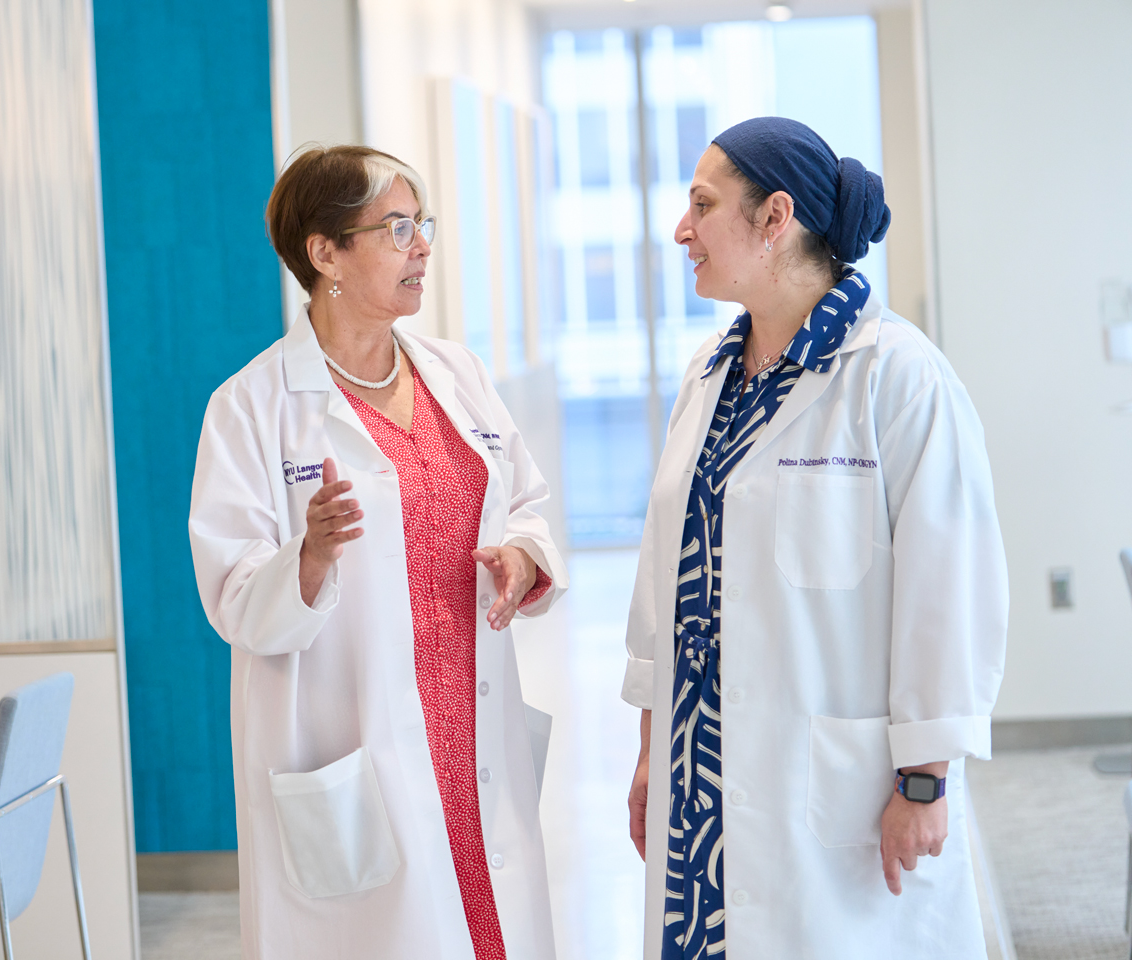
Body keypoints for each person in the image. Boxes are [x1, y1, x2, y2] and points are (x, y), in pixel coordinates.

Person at [622, 117, 1007, 959]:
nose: (681, 230)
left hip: (838, 791)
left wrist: (924, 777)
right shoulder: (709, 375)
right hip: (701, 777)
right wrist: (656, 749)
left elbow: (954, 591)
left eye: (702, 205)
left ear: (774, 219)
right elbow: (668, 572)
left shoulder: (899, 377)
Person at [189, 144, 567, 960]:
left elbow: (527, 499)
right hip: (354, 738)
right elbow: (233, 594)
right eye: (398, 229)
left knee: (489, 924)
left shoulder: (455, 374)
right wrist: (311, 557)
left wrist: (525, 556)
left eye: (421, 225)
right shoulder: (251, 408)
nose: (423, 247)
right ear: (325, 253)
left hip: (470, 727)